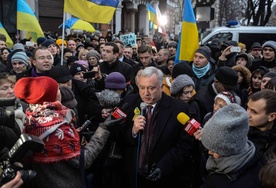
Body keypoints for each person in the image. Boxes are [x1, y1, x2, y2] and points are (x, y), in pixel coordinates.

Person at [13, 76, 123, 188]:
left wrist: (74, 134)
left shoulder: (32, 117)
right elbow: (84, 161)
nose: (60, 91)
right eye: (58, 89)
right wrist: (103, 129)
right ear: (52, 95)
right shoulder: (58, 128)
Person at [121, 67, 196, 188]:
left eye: (151, 88)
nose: (146, 93)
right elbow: (118, 135)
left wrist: (163, 167)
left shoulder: (179, 108)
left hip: (165, 176)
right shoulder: (129, 102)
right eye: (142, 87)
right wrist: (133, 132)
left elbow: (184, 145)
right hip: (133, 176)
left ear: (161, 87)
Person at [201, 104, 262, 188]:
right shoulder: (246, 151)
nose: (209, 152)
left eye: (216, 150)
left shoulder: (235, 183)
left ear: (229, 150)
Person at [247, 90, 276, 164]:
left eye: (254, 112)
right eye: (248, 108)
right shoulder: (239, 129)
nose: (247, 115)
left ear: (272, 117)